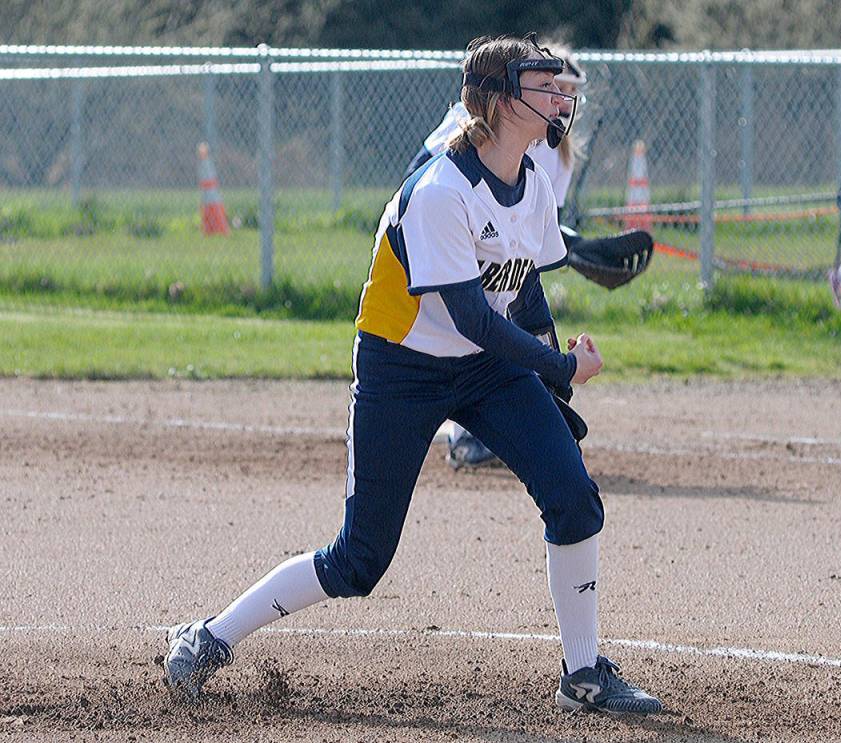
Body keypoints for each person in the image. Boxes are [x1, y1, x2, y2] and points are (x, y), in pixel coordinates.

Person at [161, 34, 662, 716]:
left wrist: (551, 377)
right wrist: (561, 363)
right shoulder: (440, 189)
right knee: (358, 560)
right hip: (403, 366)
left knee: (574, 496)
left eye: (559, 85)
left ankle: (584, 676)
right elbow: (470, 318)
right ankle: (209, 635)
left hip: (486, 368)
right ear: (497, 100)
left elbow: (524, 287)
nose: (559, 94)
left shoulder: (534, 177)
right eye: (541, 84)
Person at [407, 44, 651, 470]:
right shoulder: (487, 120)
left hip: (491, 247)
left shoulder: (559, 155)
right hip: (445, 228)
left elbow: (532, 226)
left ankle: (513, 416)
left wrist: (574, 248)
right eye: (550, 87)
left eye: (567, 89)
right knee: (476, 321)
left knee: (506, 306)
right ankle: (467, 433)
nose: (560, 100)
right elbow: (430, 171)